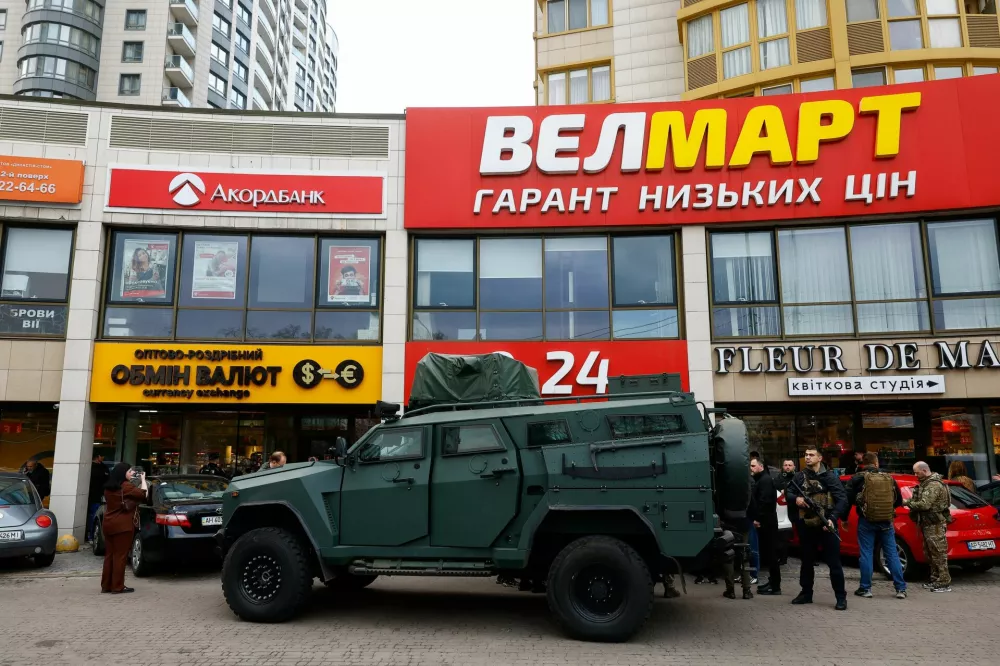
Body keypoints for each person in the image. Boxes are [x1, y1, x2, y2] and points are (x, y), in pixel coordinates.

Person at [785, 446, 849, 610]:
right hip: (807, 525)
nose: (807, 457)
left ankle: (841, 597)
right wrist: (797, 499)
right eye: (806, 455)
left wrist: (832, 519)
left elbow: (842, 500)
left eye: (811, 455)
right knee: (806, 561)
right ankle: (806, 593)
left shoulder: (830, 477)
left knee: (834, 563)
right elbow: (788, 493)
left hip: (826, 525)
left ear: (820, 458)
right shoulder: (800, 476)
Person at [844, 453, 906, 599]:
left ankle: (865, 588)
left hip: (866, 520)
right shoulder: (888, 478)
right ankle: (900, 589)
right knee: (892, 554)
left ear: (863, 463)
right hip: (886, 521)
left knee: (866, 553)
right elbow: (899, 500)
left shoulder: (857, 478)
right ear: (876, 463)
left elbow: (847, 500)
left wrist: (844, 518)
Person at [904, 461, 953, 593]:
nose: (915, 475)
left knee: (938, 553)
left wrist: (907, 503)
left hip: (935, 524)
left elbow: (925, 505)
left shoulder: (933, 485)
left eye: (917, 472)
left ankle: (944, 582)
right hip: (928, 523)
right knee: (930, 553)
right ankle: (935, 579)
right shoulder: (927, 484)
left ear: (924, 470)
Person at [101, 463, 148, 594]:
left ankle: (106, 585)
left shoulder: (108, 487)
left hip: (108, 523)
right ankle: (117, 586)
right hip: (122, 525)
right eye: (129, 471)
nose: (131, 473)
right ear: (122, 473)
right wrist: (143, 480)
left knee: (109, 555)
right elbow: (144, 494)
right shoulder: (126, 486)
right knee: (120, 556)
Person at [750, 456, 781, 595]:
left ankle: (775, 586)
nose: (751, 468)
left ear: (760, 466)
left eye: (753, 466)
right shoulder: (762, 480)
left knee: (771, 554)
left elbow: (765, 502)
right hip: (766, 521)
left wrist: (758, 518)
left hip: (767, 523)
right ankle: (772, 582)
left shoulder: (765, 480)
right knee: (769, 554)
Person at [87, 453, 110, 542]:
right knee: (93, 515)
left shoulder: (103, 467)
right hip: (94, 495)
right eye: (102, 456)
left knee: (95, 515)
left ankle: (92, 535)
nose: (103, 458)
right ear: (98, 457)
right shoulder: (91, 467)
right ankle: (91, 535)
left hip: (100, 495)